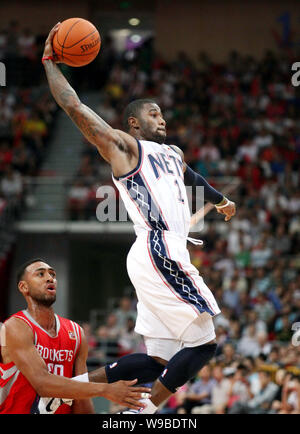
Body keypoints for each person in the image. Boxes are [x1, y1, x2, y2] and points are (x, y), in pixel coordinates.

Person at [42, 23, 236, 414]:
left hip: (159, 253)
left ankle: (67, 388)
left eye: (162, 112)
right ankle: (142, 411)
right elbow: (75, 108)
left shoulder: (174, 153)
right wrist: (50, 62)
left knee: (158, 362)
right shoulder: (126, 148)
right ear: (134, 122)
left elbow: (191, 177)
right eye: (153, 113)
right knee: (205, 343)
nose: (161, 117)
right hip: (159, 246)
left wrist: (219, 201)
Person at [0, 259, 151, 414]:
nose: (50, 278)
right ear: (23, 287)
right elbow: (42, 383)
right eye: (40, 274)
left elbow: (81, 398)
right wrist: (105, 389)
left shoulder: (75, 332)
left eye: (52, 274)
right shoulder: (14, 327)